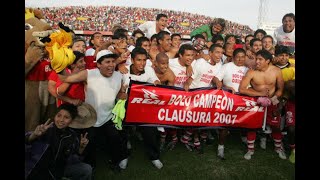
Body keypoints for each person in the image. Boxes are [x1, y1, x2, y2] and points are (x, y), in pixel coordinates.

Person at [58, 50, 129, 170]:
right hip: (90, 118)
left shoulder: (118, 75)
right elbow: (66, 79)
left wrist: (121, 95)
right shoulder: (88, 74)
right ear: (99, 64)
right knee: (90, 145)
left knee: (115, 140)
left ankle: (119, 160)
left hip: (109, 117)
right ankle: (90, 167)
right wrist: (57, 68)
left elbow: (117, 94)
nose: (111, 65)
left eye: (113, 61)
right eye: (107, 62)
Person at [25, 103, 92, 179]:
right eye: (59, 115)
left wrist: (81, 148)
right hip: (37, 169)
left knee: (86, 169)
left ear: (72, 121)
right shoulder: (45, 129)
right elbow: (27, 142)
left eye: (66, 117)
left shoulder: (72, 136)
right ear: (55, 116)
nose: (61, 120)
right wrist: (34, 135)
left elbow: (73, 161)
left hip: (58, 170)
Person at [239, 49, 285, 160]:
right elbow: (242, 89)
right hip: (256, 101)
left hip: (272, 101)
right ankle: (250, 150)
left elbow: (280, 89)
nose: (257, 62)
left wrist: (273, 99)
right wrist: (259, 94)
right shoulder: (251, 72)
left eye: (260, 59)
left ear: (268, 61)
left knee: (275, 126)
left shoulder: (276, 71)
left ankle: (278, 148)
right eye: (256, 59)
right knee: (252, 126)